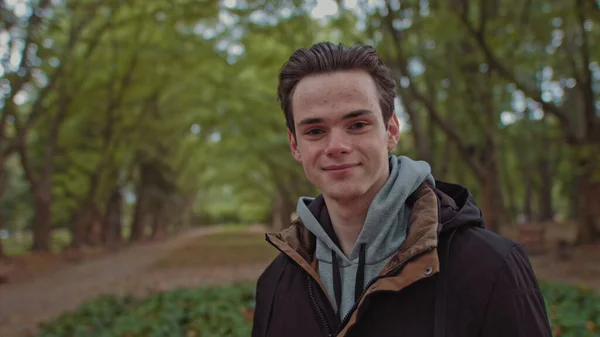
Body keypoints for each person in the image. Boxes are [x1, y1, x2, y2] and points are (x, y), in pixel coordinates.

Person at [251, 42, 552, 337]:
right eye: (315, 131)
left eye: (357, 125)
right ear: (295, 145)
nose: (337, 147)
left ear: (391, 130)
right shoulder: (275, 282)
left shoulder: (490, 267)